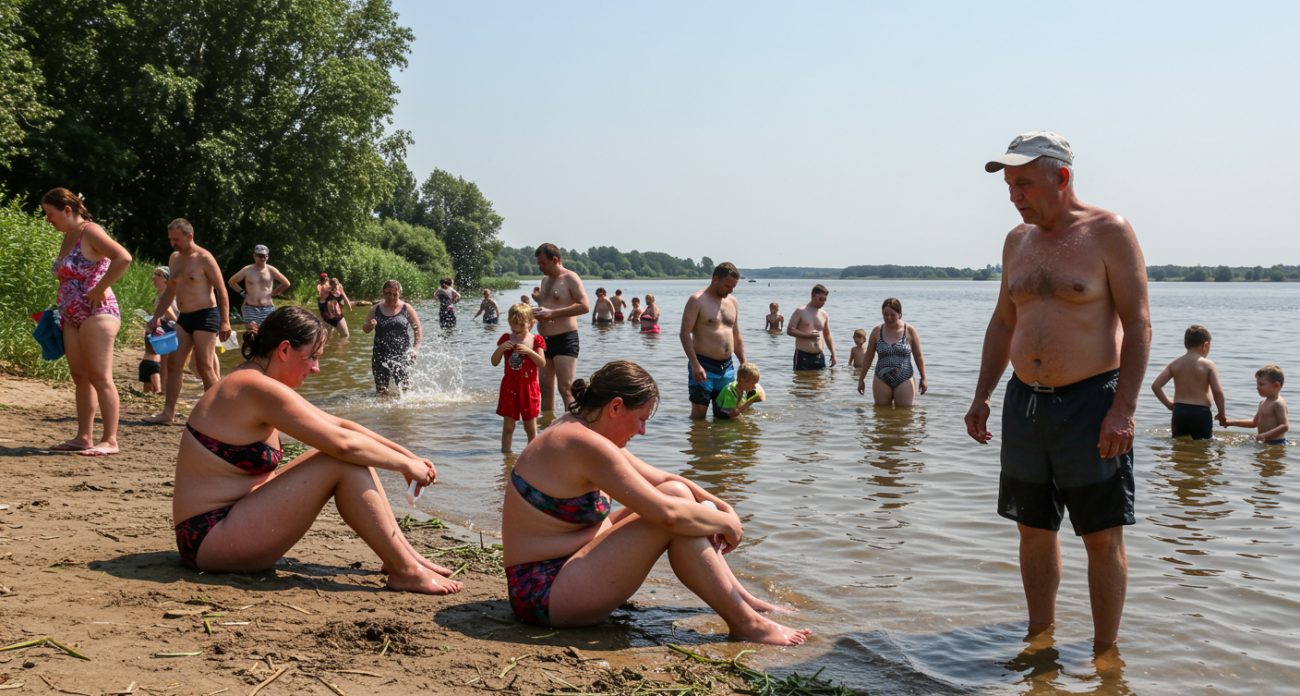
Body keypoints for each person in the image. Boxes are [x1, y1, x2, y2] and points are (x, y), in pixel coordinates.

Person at [964, 131, 1151, 648]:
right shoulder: (1016, 242)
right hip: (1025, 403)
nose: (1013, 195)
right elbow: (1003, 323)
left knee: (1100, 535)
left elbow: (1138, 325)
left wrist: (1124, 409)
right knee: (1032, 529)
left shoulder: (1109, 232)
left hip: (1093, 403)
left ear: (1061, 177)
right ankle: (1038, 639)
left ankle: (1104, 654)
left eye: (1023, 183)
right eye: (1009, 185)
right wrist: (982, 394)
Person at [500, 360, 809, 644]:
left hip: (566, 566)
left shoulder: (582, 427)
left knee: (677, 493)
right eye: (642, 419)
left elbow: (664, 481)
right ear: (616, 407)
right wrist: (728, 524)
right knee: (674, 521)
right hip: (542, 593)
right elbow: (668, 516)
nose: (643, 431)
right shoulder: (582, 443)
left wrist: (722, 506)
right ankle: (746, 623)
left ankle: (743, 600)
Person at [171, 306, 461, 594]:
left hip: (227, 523)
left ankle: (404, 556)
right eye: (312, 357)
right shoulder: (254, 387)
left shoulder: (257, 380)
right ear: (284, 350)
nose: (316, 368)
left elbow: (342, 426)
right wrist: (404, 466)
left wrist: (406, 457)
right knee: (341, 461)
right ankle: (405, 570)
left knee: (348, 457)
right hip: (207, 539)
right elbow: (343, 445)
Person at [43, 188, 132, 455]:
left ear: (68, 210)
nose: (47, 219)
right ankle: (83, 437)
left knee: (100, 377)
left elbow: (123, 257)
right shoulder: (68, 235)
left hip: (98, 312)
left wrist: (100, 287)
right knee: (80, 376)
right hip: (72, 315)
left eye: (50, 214)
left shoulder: (89, 231)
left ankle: (110, 440)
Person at [145, 219, 232, 424]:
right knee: (175, 363)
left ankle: (218, 416)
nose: (172, 243)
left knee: (204, 366)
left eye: (176, 239)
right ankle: (168, 414)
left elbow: (221, 289)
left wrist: (225, 321)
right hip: (184, 318)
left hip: (206, 316)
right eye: (170, 239)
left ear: (189, 237)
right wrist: (155, 317)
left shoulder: (204, 258)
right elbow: (170, 291)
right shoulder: (174, 258)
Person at [680, 263, 746, 420]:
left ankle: (720, 445)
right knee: (699, 416)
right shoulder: (697, 300)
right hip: (703, 366)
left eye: (734, 287)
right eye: (727, 286)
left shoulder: (733, 302)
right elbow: (684, 334)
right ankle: (698, 443)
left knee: (725, 416)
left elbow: (736, 335)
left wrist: (744, 364)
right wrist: (695, 365)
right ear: (715, 279)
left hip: (727, 368)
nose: (730, 290)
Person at [533, 244, 590, 411]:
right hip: (544, 340)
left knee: (565, 388)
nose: (539, 267)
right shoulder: (544, 280)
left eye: (542, 263)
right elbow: (547, 305)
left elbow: (585, 306)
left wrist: (551, 314)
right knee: (545, 388)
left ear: (555, 260)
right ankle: (547, 427)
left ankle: (572, 427)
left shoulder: (571, 278)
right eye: (538, 263)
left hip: (565, 339)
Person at [1150, 325, 1226, 440]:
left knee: (1178, 444)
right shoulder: (1208, 365)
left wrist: (1169, 405)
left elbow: (1156, 386)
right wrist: (1221, 414)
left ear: (1185, 343)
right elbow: (1217, 391)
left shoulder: (1175, 363)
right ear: (1205, 345)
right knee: (1203, 446)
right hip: (1201, 412)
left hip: (1179, 411)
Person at [492, 303, 547, 452]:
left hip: (529, 388)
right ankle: (506, 455)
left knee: (530, 427)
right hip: (509, 387)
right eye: (513, 325)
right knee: (508, 426)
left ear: (531, 323)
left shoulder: (536, 340)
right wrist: (502, 347)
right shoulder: (506, 338)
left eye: (521, 326)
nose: (516, 329)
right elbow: (494, 362)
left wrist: (529, 351)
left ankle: (531, 454)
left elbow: (542, 363)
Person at [855, 298, 929, 406]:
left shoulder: (910, 331)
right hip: (881, 378)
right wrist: (861, 379)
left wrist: (923, 378)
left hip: (905, 378)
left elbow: (918, 357)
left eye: (892, 315)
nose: (889, 318)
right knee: (881, 415)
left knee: (905, 416)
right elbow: (868, 357)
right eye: (886, 314)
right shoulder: (877, 331)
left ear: (899, 314)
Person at [362, 280, 421, 394]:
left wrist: (415, 349)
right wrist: (370, 326)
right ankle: (385, 411)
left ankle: (404, 411)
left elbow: (417, 329)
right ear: (384, 293)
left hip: (401, 353)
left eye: (395, 294)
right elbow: (365, 329)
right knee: (381, 390)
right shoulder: (376, 309)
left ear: (399, 293)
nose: (391, 297)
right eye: (387, 293)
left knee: (405, 388)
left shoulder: (406, 308)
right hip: (380, 354)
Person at [227, 245, 289, 330]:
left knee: (268, 333)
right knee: (252, 334)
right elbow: (232, 281)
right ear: (255, 256)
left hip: (267, 307)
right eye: (261, 256)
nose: (263, 259)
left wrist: (274, 293)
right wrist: (243, 293)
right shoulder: (247, 270)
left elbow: (286, 283)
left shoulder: (271, 270)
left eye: (265, 256)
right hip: (250, 307)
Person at [1225, 366, 1289, 444]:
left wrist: (1265, 435)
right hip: (1265, 442)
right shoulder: (1262, 403)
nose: (1257, 388)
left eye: (1261, 384)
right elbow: (1254, 423)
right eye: (1257, 384)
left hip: (1277, 443)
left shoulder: (1278, 404)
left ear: (1276, 385)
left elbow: (1284, 426)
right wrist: (1231, 423)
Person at [140, 267, 179, 394]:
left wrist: (174, 323)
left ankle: (162, 389)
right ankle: (161, 389)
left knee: (164, 361)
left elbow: (170, 313)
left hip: (169, 330)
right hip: (167, 329)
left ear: (167, 280)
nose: (154, 277)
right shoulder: (165, 294)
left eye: (159, 275)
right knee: (164, 361)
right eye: (154, 274)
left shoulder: (165, 295)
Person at [787, 285, 836, 370]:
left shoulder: (824, 315)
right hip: (803, 356)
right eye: (821, 299)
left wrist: (833, 355)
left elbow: (827, 336)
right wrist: (808, 336)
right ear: (813, 296)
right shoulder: (801, 311)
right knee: (802, 382)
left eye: (825, 300)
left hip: (819, 356)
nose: (823, 302)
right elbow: (790, 330)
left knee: (821, 383)